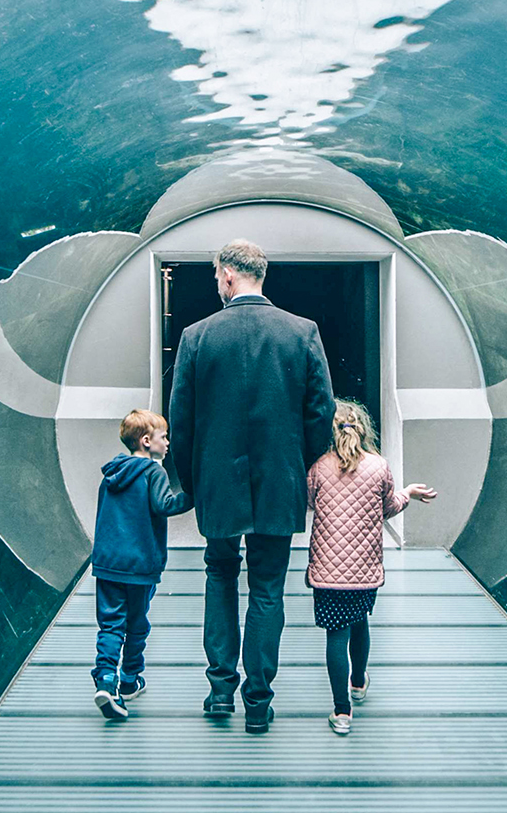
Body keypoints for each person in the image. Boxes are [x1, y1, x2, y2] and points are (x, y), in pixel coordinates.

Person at [169, 239, 336, 734]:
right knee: (267, 589)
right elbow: (320, 413)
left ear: (225, 275)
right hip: (278, 483)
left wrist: (193, 482)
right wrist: (297, 467)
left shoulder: (197, 336)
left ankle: (221, 691)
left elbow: (181, 420)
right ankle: (258, 702)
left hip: (218, 484)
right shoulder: (302, 332)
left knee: (220, 575)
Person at [306, 399, 437, 735]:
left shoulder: (319, 467)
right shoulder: (379, 466)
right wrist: (407, 493)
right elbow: (388, 508)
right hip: (364, 571)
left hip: (327, 572)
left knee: (336, 635)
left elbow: (308, 503)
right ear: (363, 429)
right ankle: (359, 682)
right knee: (359, 621)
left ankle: (342, 712)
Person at [89, 408, 192, 720]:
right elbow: (165, 506)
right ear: (147, 441)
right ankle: (130, 680)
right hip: (139, 567)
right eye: (164, 437)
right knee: (136, 624)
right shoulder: (153, 472)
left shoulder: (111, 474)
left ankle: (106, 679)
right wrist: (195, 494)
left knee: (110, 623)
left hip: (108, 564)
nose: (168, 443)